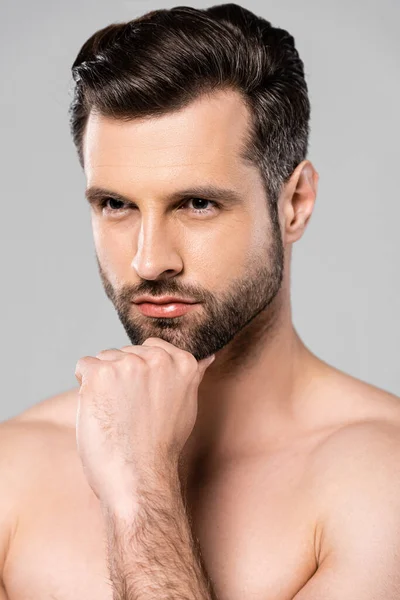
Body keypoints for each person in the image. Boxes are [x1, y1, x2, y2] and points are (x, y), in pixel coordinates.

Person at [1, 3, 399, 599]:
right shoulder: (13, 469)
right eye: (116, 204)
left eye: (197, 204)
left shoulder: (381, 481)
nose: (148, 260)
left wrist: (140, 486)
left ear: (294, 204)